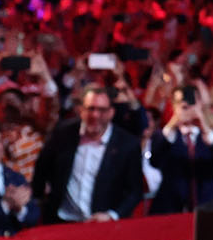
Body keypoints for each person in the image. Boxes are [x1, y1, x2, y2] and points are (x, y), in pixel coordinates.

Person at [30, 86, 144, 223]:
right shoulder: (63, 134)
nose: (95, 115)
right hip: (62, 221)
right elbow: (41, 171)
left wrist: (112, 215)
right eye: (91, 108)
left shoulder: (127, 144)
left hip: (103, 225)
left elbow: (135, 191)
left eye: (101, 110)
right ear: (81, 110)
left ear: (111, 112)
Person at [147, 89, 213, 214]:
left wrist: (204, 127)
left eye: (192, 102)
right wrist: (173, 123)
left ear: (200, 103)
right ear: (174, 106)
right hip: (172, 210)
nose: (187, 106)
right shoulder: (165, 135)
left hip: (207, 209)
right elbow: (155, 161)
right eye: (181, 103)